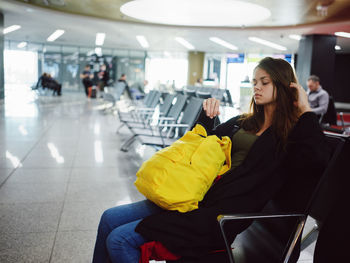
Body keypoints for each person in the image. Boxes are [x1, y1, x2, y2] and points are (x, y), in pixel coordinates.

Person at [92, 57, 329, 263]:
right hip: (195, 196)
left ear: (285, 86)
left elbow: (318, 161)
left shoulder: (288, 137)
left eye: (264, 82)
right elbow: (205, 143)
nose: (257, 87)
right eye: (255, 82)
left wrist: (305, 109)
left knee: (120, 240)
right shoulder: (243, 121)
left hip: (217, 215)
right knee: (108, 219)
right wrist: (207, 117)